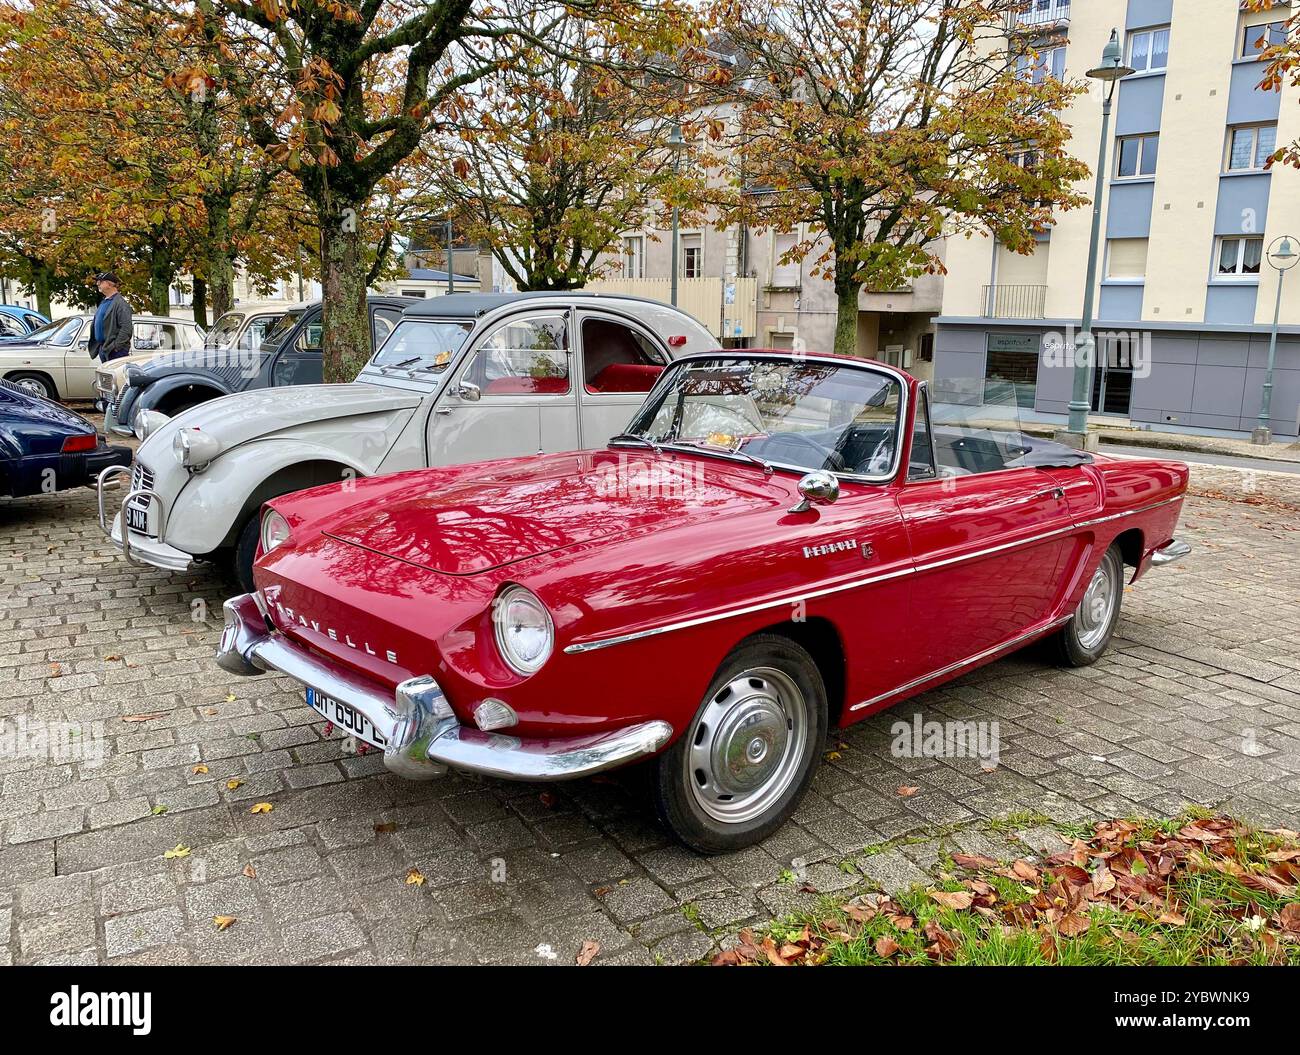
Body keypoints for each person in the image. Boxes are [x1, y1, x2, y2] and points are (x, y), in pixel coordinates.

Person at [88, 271, 133, 363]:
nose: (97, 284)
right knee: (106, 377)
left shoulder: (120, 304)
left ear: (109, 284)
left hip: (115, 351)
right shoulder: (104, 302)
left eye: (100, 282)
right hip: (104, 348)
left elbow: (126, 328)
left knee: (116, 377)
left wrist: (116, 347)